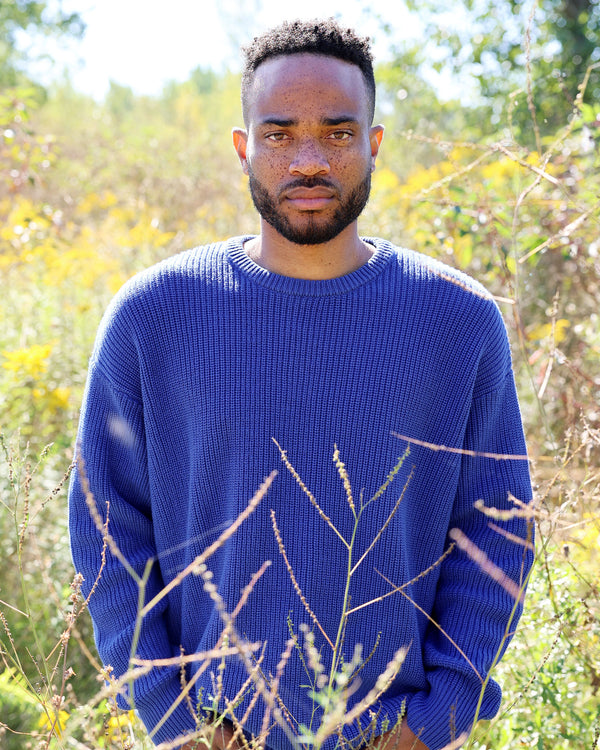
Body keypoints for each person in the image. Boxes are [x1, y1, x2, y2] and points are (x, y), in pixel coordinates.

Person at [68, 18, 534, 750]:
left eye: (339, 134)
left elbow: (498, 531)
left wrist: (432, 722)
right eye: (280, 134)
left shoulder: (459, 320)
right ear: (243, 147)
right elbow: (107, 535)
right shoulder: (152, 316)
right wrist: (174, 723)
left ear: (374, 144)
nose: (309, 160)